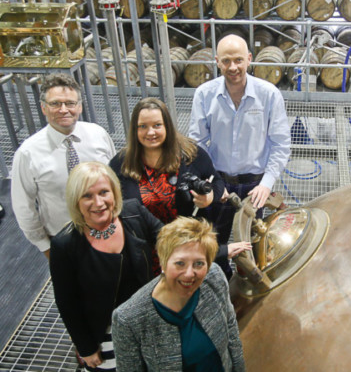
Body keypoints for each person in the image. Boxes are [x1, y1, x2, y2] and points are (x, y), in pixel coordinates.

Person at [109, 97, 250, 278]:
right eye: (143, 126)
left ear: (167, 126)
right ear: (134, 130)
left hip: (191, 246)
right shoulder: (122, 163)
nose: (150, 132)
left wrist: (209, 198)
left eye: (157, 125)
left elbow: (217, 182)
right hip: (147, 254)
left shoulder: (190, 154)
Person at [50, 162, 163, 371]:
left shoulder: (133, 212)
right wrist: (86, 347)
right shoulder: (64, 246)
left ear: (114, 193)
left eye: (104, 192)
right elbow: (68, 304)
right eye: (87, 196)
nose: (98, 202)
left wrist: (220, 250)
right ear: (75, 201)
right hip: (106, 333)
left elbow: (171, 240)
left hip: (147, 320)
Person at [189, 34, 291, 243]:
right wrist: (211, 179)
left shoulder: (269, 95)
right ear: (217, 61)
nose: (233, 67)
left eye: (238, 60)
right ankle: (221, 275)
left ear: (249, 59)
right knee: (214, 242)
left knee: (254, 243)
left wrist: (267, 183)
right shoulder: (204, 94)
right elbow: (196, 143)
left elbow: (280, 144)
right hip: (218, 181)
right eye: (226, 61)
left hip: (254, 185)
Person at [112, 217, 246, 372]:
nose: (189, 274)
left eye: (199, 263)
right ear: (163, 262)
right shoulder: (128, 318)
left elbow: (231, 330)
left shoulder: (214, 276)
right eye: (180, 263)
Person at [11, 73, 116, 260]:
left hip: (108, 230)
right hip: (64, 239)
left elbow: (117, 181)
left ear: (80, 106)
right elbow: (23, 207)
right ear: (43, 108)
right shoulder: (28, 153)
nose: (63, 109)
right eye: (55, 104)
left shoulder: (98, 135)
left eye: (70, 103)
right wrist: (45, 247)